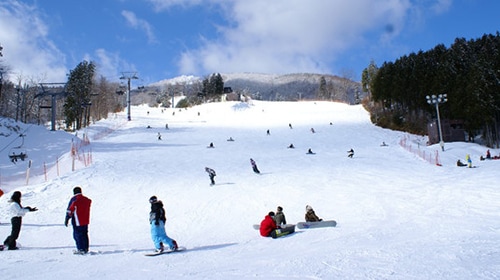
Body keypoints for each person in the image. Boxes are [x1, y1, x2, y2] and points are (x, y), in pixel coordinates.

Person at [65, 186, 92, 254]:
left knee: (77, 235)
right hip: (85, 220)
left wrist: (67, 218)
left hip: (77, 220)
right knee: (85, 234)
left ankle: (80, 249)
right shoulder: (86, 199)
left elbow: (70, 209)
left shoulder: (74, 199)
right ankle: (85, 248)